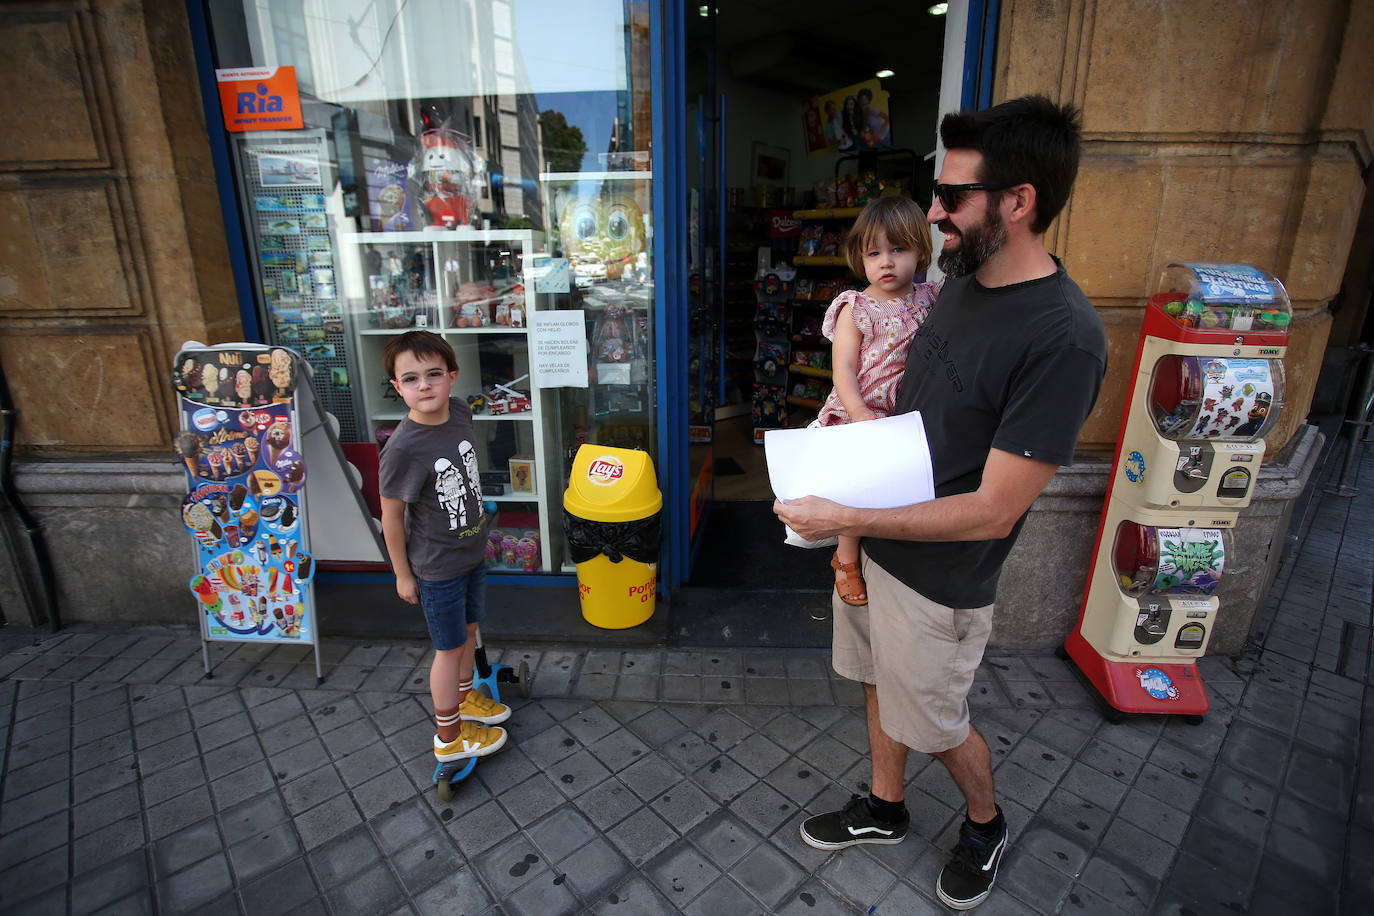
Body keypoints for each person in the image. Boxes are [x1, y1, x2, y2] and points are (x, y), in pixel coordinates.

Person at [775, 95, 1107, 910]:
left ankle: (986, 821)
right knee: (875, 684)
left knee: (936, 720)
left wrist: (846, 519)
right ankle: (886, 808)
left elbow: (996, 510)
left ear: (1017, 202)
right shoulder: (956, 281)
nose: (934, 214)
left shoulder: (1062, 339)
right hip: (877, 548)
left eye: (952, 198)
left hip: (942, 577)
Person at [378, 330, 510, 765]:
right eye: (411, 379)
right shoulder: (402, 449)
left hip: (470, 553)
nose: (425, 386)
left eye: (434, 374)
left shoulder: (457, 411)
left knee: (470, 632)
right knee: (448, 648)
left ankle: (467, 698)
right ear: (397, 387)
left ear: (452, 376)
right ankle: (449, 736)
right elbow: (392, 518)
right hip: (436, 567)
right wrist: (402, 574)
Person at [815, 196, 941, 606]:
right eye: (875, 253)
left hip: (906, 413)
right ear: (860, 258)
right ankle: (845, 558)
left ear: (922, 250)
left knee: (898, 488)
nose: (886, 262)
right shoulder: (857, 307)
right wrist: (858, 413)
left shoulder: (931, 298)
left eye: (898, 249)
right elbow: (844, 369)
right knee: (859, 488)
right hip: (864, 410)